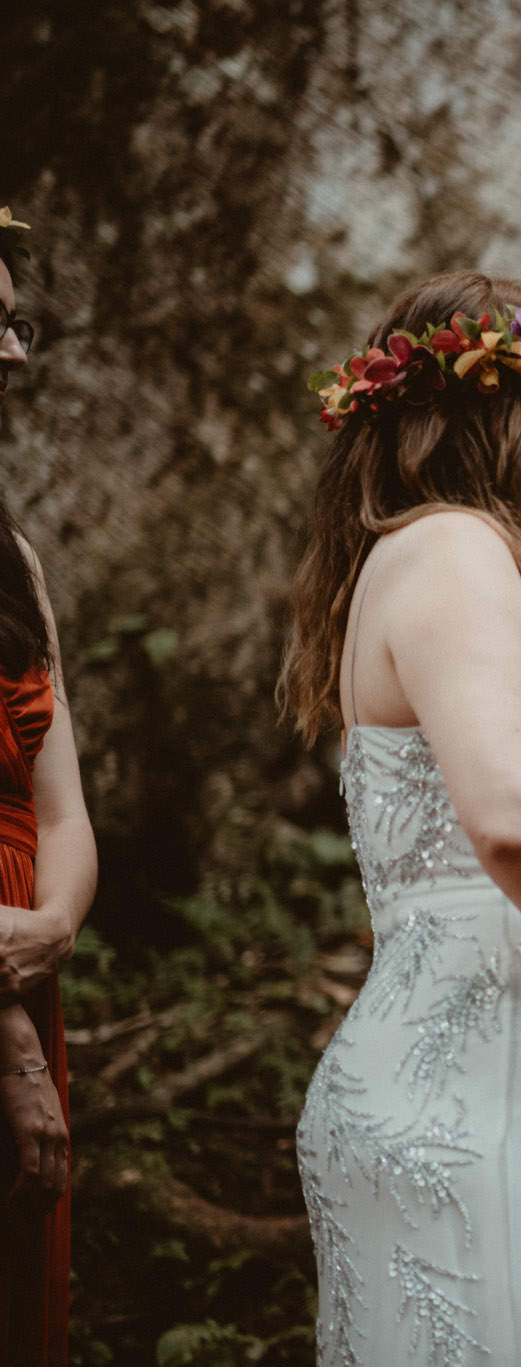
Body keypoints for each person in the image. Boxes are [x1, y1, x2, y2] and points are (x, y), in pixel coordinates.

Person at [280, 272, 521, 1365]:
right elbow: (507, 821)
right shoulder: (452, 550)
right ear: (493, 413)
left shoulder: (451, 556)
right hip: (486, 1108)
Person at [0, 206, 98, 1367]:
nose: (18, 352)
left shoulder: (10, 554)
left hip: (27, 946)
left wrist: (54, 923)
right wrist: (11, 1042)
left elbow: (63, 799)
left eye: (17, 325)